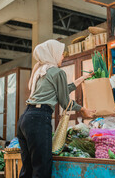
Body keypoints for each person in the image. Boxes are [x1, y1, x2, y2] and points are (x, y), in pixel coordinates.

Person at [17, 39, 95, 178]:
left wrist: (82, 78)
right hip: (39, 119)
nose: (63, 57)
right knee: (42, 167)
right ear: (53, 54)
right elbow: (65, 102)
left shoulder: (41, 71)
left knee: (28, 168)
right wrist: (83, 109)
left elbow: (61, 89)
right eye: (61, 54)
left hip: (26, 119)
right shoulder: (57, 72)